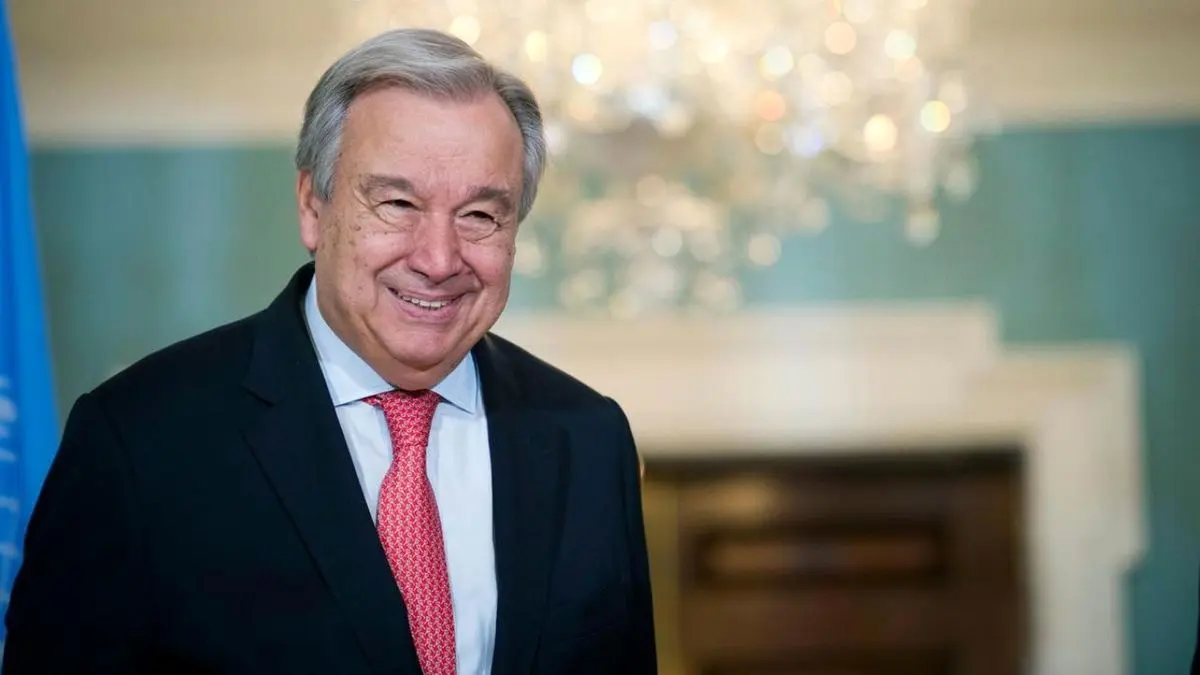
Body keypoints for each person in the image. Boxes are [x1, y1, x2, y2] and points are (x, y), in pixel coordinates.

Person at [2, 28, 656, 675]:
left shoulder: (588, 437)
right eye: (397, 203)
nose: (438, 259)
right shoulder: (141, 438)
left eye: (480, 215)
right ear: (313, 207)